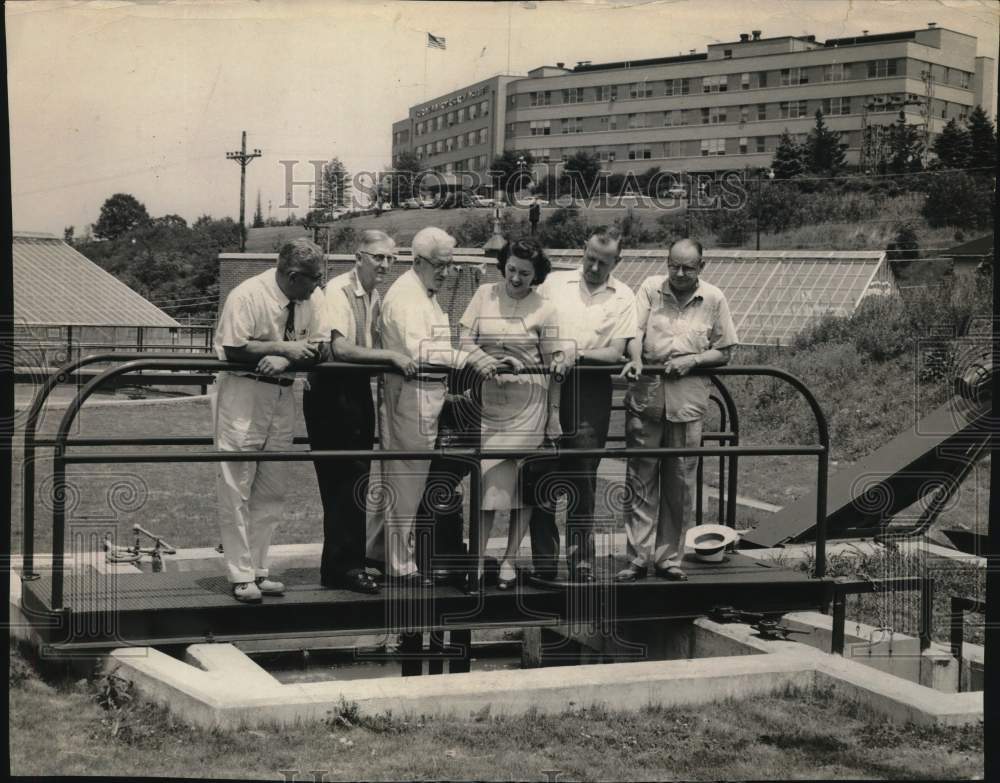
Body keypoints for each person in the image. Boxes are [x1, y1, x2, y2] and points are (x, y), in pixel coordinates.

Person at [367, 226, 499, 587]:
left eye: (450, 264)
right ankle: (399, 564)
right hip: (411, 392)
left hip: (426, 392)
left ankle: (378, 554)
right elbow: (420, 350)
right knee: (406, 479)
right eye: (440, 264)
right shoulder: (407, 296)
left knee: (402, 477)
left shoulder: (425, 293)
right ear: (419, 261)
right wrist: (469, 361)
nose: (446, 271)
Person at [616, 238, 738, 582]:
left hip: (687, 405)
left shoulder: (713, 298)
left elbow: (725, 349)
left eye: (688, 267)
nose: (680, 273)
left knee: (679, 483)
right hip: (646, 400)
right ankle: (637, 558)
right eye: (674, 265)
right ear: (666, 262)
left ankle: (669, 558)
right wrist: (638, 359)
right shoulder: (650, 289)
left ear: (702, 267)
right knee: (640, 480)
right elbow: (633, 332)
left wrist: (693, 361)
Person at [213, 239, 327, 603]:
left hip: (282, 392)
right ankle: (240, 573)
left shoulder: (312, 299)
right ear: (293, 276)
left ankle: (260, 570)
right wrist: (283, 348)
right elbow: (233, 347)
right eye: (313, 279)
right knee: (237, 485)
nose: (317, 286)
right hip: (244, 394)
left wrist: (288, 359)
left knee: (272, 488)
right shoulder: (247, 295)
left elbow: (321, 345)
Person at [303, 230, 416, 594]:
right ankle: (342, 568)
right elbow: (342, 349)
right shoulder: (337, 291)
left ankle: (349, 563)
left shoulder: (373, 294)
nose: (384, 265)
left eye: (390, 258)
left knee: (356, 480)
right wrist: (392, 357)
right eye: (378, 257)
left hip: (356, 391)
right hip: (332, 392)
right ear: (358, 257)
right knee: (342, 480)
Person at [530, 229, 637, 582]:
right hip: (546, 384)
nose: (593, 267)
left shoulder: (623, 296)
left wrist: (575, 353)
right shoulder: (554, 284)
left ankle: (581, 563)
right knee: (542, 473)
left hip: (590, 388)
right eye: (589, 258)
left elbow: (615, 351)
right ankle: (545, 564)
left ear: (616, 262)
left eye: (602, 263)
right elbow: (533, 328)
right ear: (583, 250)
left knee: (583, 478)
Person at [458, 238, 562, 589]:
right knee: (489, 488)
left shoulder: (546, 308)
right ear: (503, 265)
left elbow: (554, 367)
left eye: (525, 273)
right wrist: (486, 361)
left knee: (524, 488)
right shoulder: (484, 295)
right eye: (512, 269)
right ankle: (476, 560)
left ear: (537, 276)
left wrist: (553, 415)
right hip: (491, 406)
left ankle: (509, 561)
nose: (515, 278)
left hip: (530, 406)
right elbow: (463, 339)